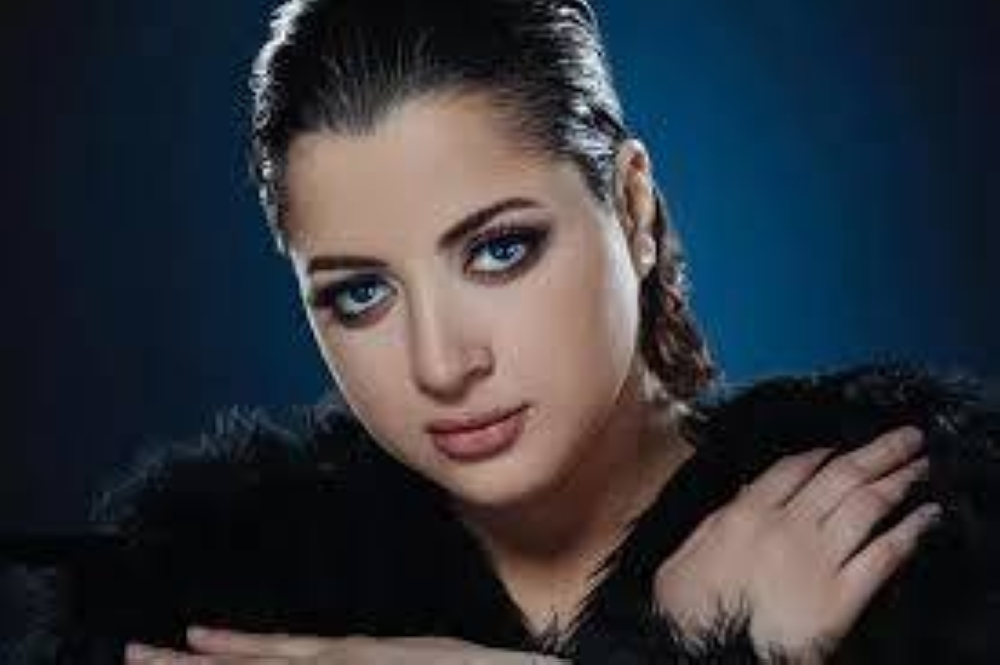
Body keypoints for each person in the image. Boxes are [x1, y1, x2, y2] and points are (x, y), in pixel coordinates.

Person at [4, 0, 999, 663]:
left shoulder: (900, 524)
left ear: (633, 209)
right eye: (360, 294)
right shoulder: (209, 596)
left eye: (498, 250)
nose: (441, 364)